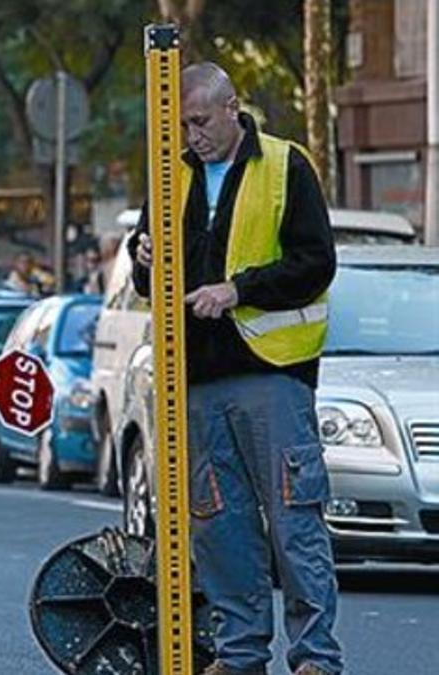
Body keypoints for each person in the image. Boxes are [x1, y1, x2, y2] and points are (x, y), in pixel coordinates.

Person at [129, 62, 341, 675]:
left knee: (293, 522)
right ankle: (240, 653)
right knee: (219, 528)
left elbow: (314, 263)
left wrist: (238, 290)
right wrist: (141, 257)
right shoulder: (169, 174)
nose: (191, 136)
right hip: (193, 378)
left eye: (200, 122)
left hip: (271, 373)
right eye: (182, 124)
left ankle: (315, 659)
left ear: (232, 108)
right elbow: (150, 280)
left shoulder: (284, 165)